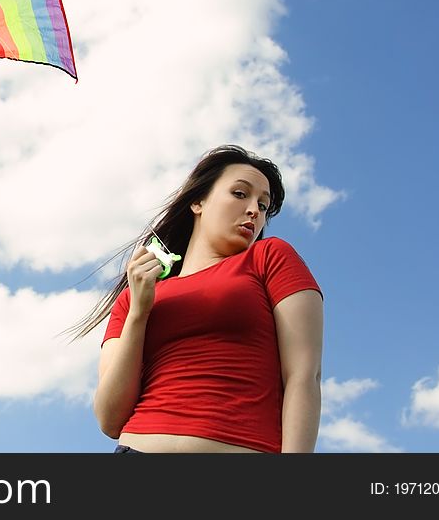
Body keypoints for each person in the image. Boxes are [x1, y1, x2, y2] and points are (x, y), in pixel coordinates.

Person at [69, 145, 323, 453]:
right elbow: (110, 419)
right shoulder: (135, 296)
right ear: (198, 202)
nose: (255, 210)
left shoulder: (269, 257)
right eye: (240, 194)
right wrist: (139, 313)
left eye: (264, 205)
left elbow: (304, 376)